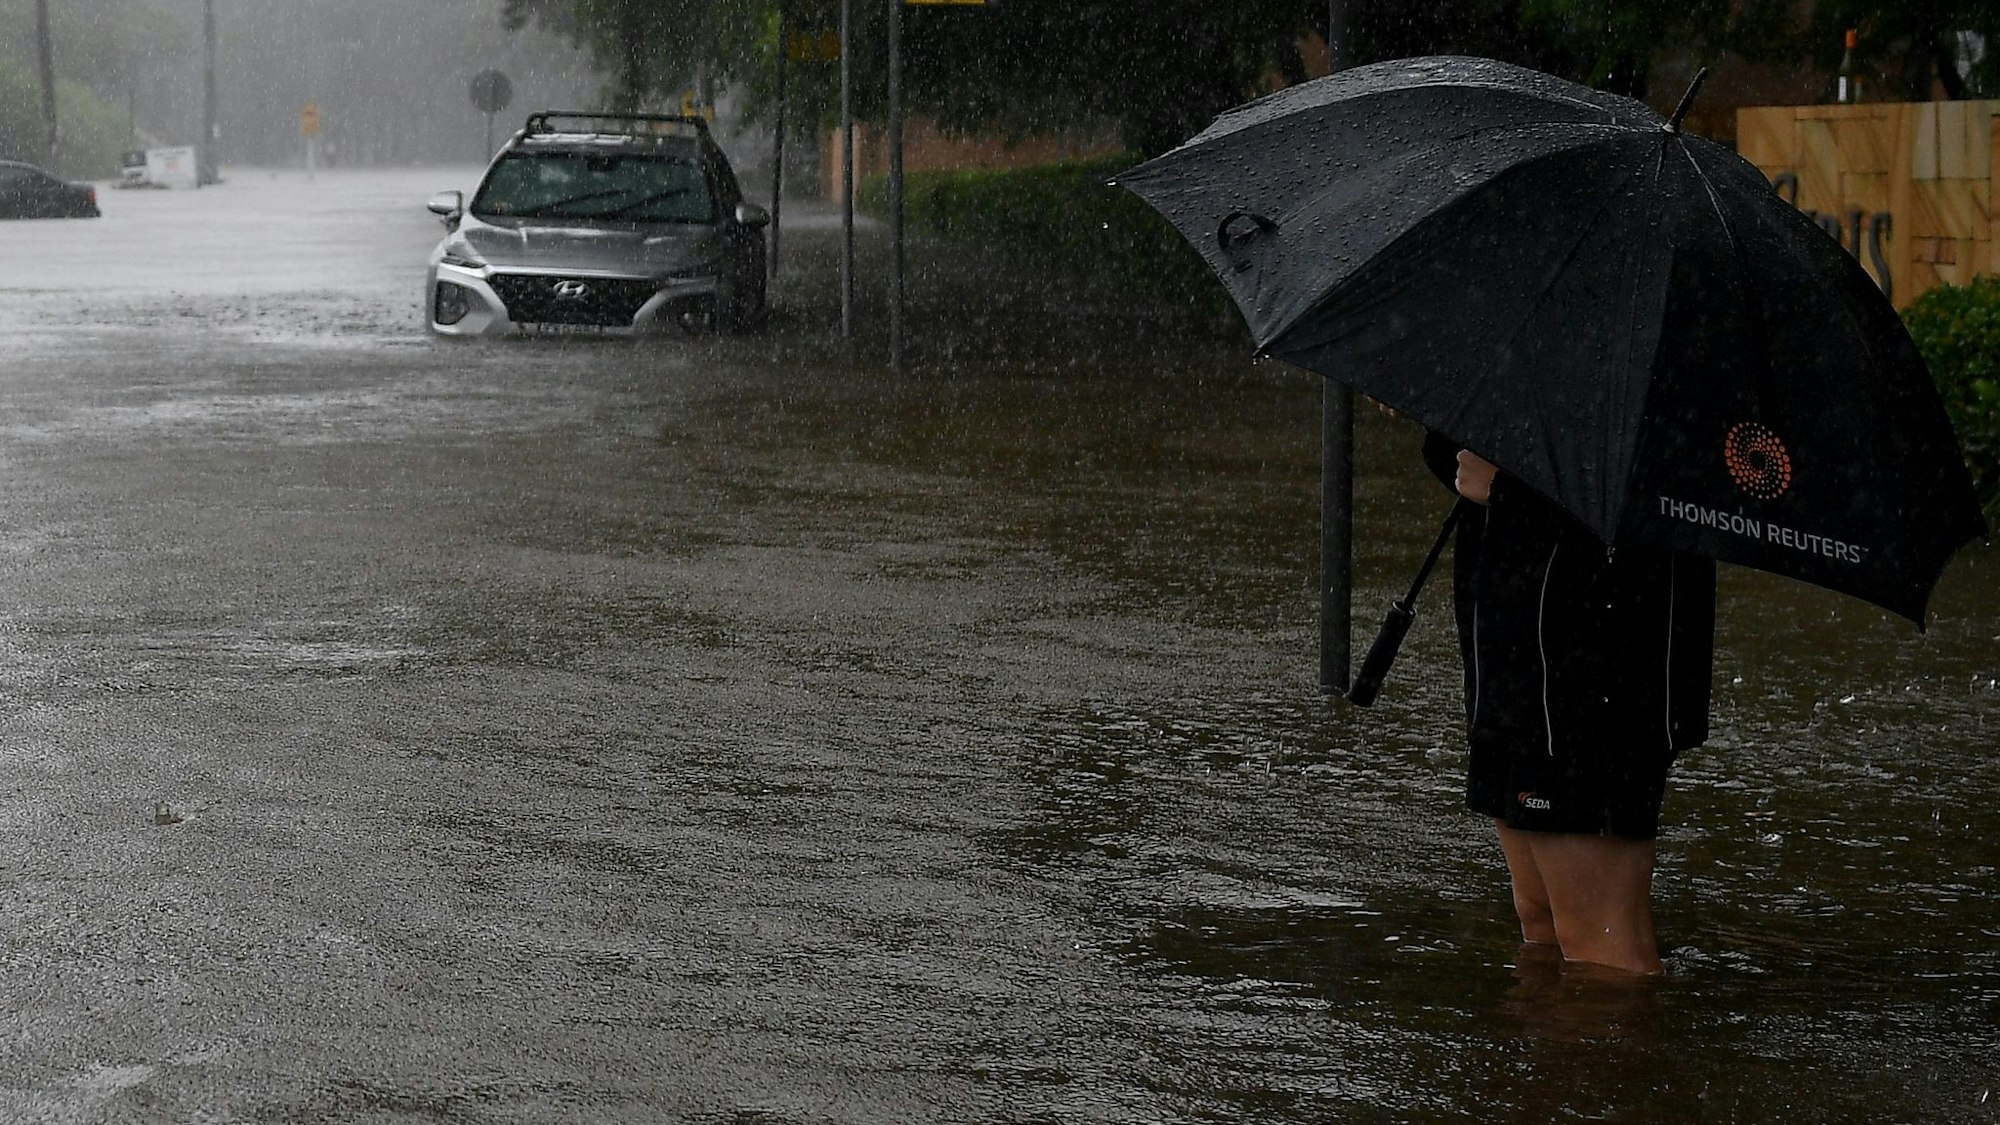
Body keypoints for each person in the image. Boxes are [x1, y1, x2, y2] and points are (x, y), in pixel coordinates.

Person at [1421, 431, 1715, 974]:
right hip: (1511, 665)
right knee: (1542, 924)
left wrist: (1514, 490)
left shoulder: (1647, 363)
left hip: (1593, 675)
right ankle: (1551, 1056)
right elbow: (1472, 470)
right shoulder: (1540, 353)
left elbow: (1671, 493)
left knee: (1601, 947)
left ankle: (1616, 1054)